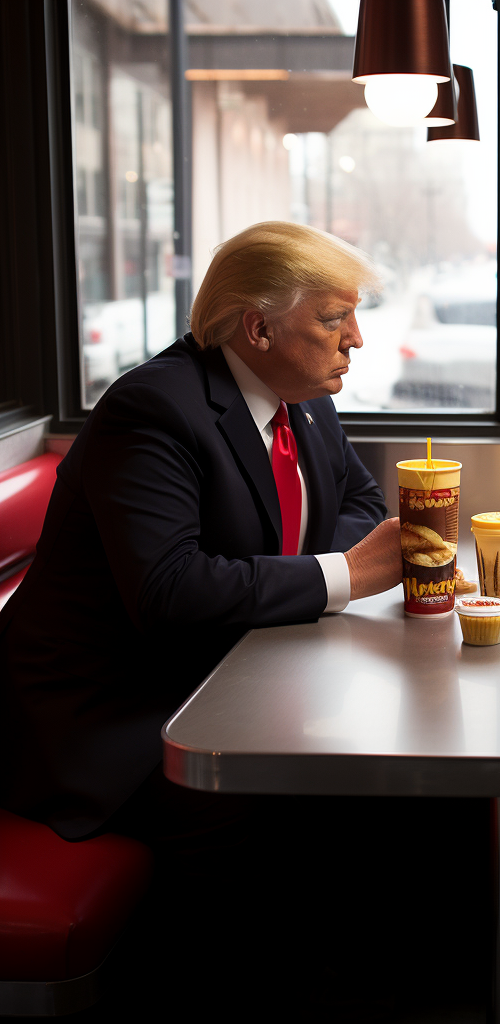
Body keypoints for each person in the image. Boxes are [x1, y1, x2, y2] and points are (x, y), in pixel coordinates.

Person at [0, 221, 403, 842]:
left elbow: (360, 496)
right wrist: (345, 575)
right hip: (115, 716)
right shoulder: (153, 409)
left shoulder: (305, 397)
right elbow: (169, 591)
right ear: (258, 328)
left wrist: (300, 579)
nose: (356, 340)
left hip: (226, 676)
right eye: (331, 320)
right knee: (311, 804)